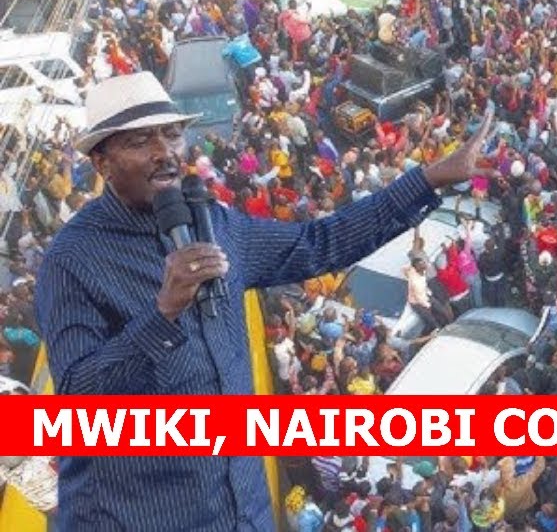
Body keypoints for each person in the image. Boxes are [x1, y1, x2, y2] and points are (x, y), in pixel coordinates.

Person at [34, 72, 495, 531]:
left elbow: (319, 242)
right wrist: (163, 313)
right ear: (102, 162)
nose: (165, 152)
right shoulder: (72, 261)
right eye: (140, 142)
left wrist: (428, 179)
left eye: (172, 133)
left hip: (242, 512)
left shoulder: (213, 223)